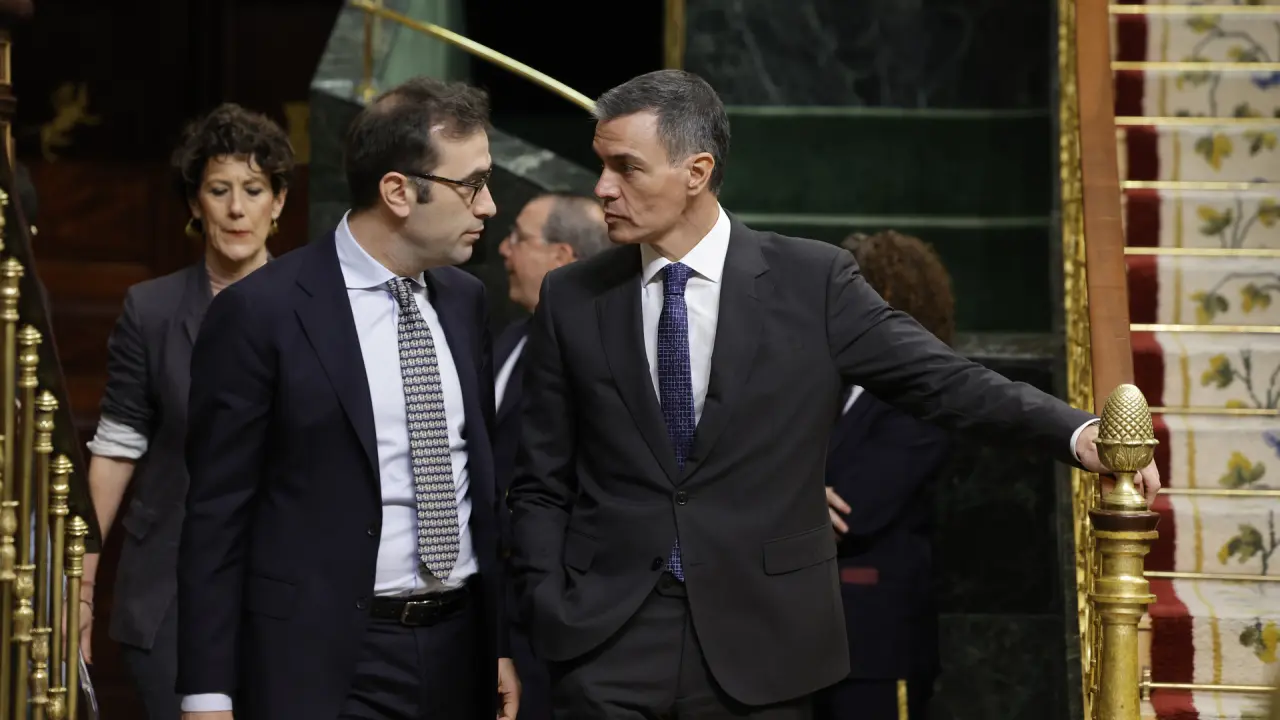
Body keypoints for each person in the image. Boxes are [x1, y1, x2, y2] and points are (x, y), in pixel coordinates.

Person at [506, 68, 1160, 718]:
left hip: (762, 644)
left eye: (626, 168)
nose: (602, 188)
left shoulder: (812, 282)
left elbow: (942, 379)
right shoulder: (572, 296)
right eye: (602, 165)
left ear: (697, 172)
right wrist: (546, 601)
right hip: (606, 642)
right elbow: (539, 480)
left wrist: (1076, 431)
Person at [176, 77, 518, 720]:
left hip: (459, 648)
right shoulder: (261, 312)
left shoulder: (465, 301)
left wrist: (496, 645)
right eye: (472, 184)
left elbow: (480, 486)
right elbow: (216, 517)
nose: (489, 205)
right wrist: (207, 691)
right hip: (325, 660)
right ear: (398, 191)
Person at [76, 103, 292, 719]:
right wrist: (81, 587)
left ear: (278, 202)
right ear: (196, 203)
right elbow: (116, 448)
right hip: (171, 586)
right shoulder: (151, 309)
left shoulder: (316, 305)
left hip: (286, 583)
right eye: (219, 190)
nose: (236, 208)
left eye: (254, 189)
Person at [817, 230, 957, 720]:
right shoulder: (825, 381)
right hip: (793, 639)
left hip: (874, 642)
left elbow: (854, 511)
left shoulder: (927, 394)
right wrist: (799, 496)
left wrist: (779, 501)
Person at [494, 191, 610, 720]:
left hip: (564, 616)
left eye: (518, 238)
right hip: (496, 611)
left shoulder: (608, 349)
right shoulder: (507, 339)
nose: (503, 249)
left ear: (561, 257)